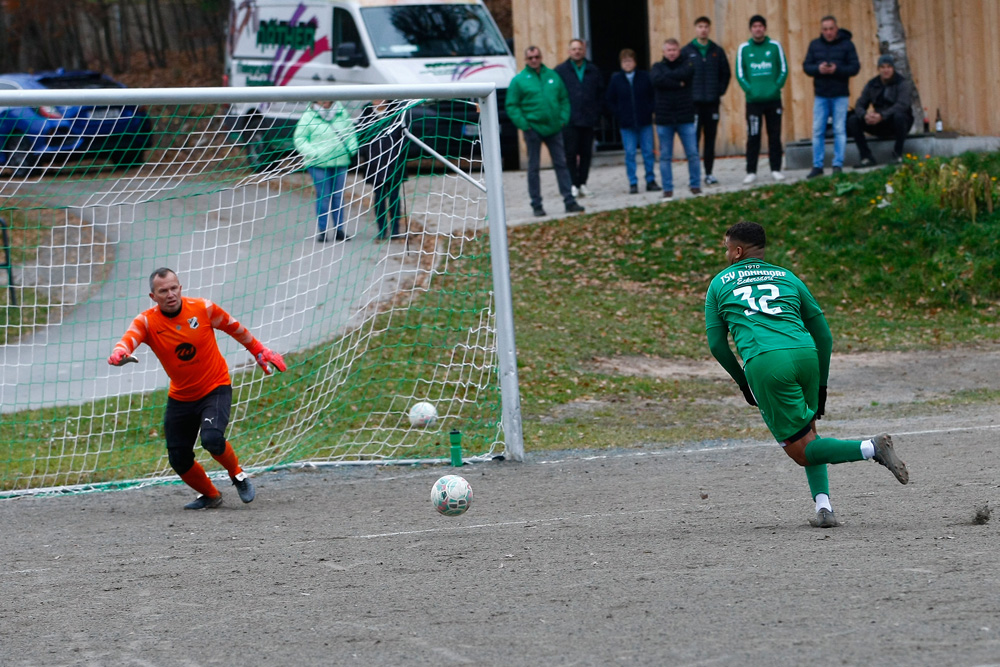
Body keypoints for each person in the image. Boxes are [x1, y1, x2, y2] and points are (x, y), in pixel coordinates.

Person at [704, 221, 909, 528]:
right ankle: (823, 508)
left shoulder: (720, 283)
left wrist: (744, 381)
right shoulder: (786, 276)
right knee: (810, 435)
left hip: (767, 361)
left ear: (737, 251)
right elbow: (824, 335)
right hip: (805, 354)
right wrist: (822, 384)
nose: (724, 253)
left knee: (802, 452)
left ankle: (871, 447)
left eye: (725, 247)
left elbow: (717, 345)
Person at [108, 268, 287, 510]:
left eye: (174, 288)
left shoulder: (204, 309)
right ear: (153, 297)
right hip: (181, 396)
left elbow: (234, 327)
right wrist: (120, 352)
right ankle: (211, 495)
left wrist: (258, 350)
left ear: (180, 288)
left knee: (212, 439)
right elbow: (129, 338)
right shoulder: (147, 321)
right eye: (163, 291)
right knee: (178, 458)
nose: (170, 294)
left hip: (215, 387)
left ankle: (238, 476)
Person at [505, 45, 585, 217]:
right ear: (526, 60)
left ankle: (569, 201)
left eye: (536, 57)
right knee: (533, 167)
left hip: (554, 128)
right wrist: (525, 125)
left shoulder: (553, 76)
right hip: (532, 129)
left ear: (541, 57)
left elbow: (564, 99)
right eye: (530, 58)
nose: (534, 60)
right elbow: (512, 105)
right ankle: (537, 204)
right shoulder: (519, 80)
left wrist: (563, 119)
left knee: (561, 164)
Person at [293, 99, 359, 242]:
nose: (324, 101)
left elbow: (350, 133)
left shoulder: (342, 113)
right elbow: (300, 139)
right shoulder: (308, 116)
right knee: (323, 196)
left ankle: (339, 229)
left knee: (338, 196)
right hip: (318, 163)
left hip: (340, 161)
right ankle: (323, 230)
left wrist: (352, 149)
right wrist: (313, 153)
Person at [803, 15, 860, 178]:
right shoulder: (814, 45)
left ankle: (837, 164)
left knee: (839, 130)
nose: (828, 32)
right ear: (822, 30)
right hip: (821, 94)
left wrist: (837, 69)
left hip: (840, 94)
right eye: (825, 29)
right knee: (817, 130)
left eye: (831, 29)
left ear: (836, 29)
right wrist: (818, 69)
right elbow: (806, 66)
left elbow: (855, 67)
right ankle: (817, 165)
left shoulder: (847, 45)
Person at [735, 15, 788, 184]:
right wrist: (749, 90)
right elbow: (740, 73)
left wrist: (776, 87)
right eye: (755, 26)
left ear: (765, 28)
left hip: (773, 100)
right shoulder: (744, 48)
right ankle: (751, 171)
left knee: (774, 135)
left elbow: (783, 69)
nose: (758, 29)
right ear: (751, 29)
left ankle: (776, 169)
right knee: (753, 136)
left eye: (760, 26)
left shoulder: (774, 46)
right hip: (753, 102)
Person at [681, 16, 731, 186]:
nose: (703, 29)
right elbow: (681, 75)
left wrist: (719, 91)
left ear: (709, 29)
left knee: (710, 139)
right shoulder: (687, 51)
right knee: (692, 141)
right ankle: (694, 177)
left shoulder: (717, 51)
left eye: (705, 27)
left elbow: (726, 73)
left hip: (711, 104)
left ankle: (709, 173)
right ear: (695, 29)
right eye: (700, 26)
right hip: (693, 105)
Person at [650, 38, 701, 202]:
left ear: (679, 51)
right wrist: (678, 83)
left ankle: (695, 185)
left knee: (692, 153)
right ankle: (667, 189)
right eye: (668, 50)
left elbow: (686, 74)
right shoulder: (657, 67)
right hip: (664, 118)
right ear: (664, 52)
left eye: (674, 49)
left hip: (685, 116)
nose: (671, 53)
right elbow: (657, 80)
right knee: (665, 156)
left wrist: (669, 79)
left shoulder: (687, 65)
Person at [605, 48, 659, 194]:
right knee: (630, 154)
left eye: (630, 60)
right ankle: (633, 182)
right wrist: (619, 114)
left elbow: (652, 95)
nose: (627, 64)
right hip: (626, 124)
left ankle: (650, 180)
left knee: (648, 152)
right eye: (624, 61)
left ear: (635, 62)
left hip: (644, 121)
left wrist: (650, 109)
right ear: (621, 64)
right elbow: (610, 100)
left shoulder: (644, 77)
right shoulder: (616, 79)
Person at [555, 38, 604, 198]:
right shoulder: (561, 70)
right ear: (569, 51)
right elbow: (556, 95)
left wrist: (597, 113)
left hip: (588, 119)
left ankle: (582, 183)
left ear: (584, 51)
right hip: (569, 120)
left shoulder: (593, 70)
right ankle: (572, 184)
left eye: (580, 49)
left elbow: (600, 93)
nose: (577, 51)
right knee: (570, 153)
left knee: (586, 154)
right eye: (574, 49)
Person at [848, 54, 915, 168]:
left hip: (896, 122)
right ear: (878, 69)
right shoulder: (872, 84)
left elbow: (902, 105)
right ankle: (866, 157)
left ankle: (897, 155)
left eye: (889, 67)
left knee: (900, 116)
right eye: (883, 67)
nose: (886, 70)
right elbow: (860, 104)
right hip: (878, 123)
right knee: (853, 119)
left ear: (893, 68)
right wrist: (866, 116)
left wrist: (882, 115)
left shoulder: (902, 83)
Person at [357, 99, 408, 240]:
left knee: (394, 197)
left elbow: (404, 137)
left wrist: (398, 153)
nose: (377, 101)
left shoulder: (397, 113)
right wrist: (364, 154)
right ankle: (382, 230)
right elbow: (361, 136)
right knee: (379, 197)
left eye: (380, 98)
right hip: (374, 163)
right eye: (375, 98)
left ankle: (395, 229)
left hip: (394, 162)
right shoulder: (366, 114)